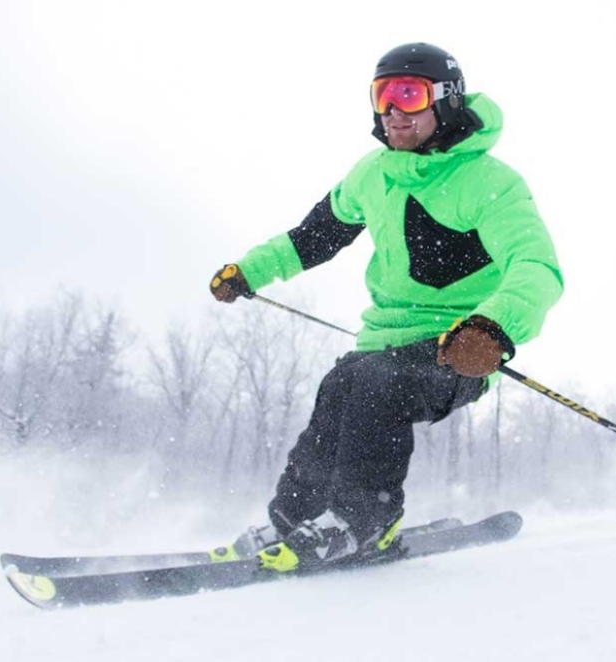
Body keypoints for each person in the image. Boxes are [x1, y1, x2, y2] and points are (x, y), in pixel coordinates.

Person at [205, 43, 564, 573]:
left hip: (459, 349)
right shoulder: (373, 174)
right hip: (383, 345)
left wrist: (492, 327)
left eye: (407, 94)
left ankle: (365, 520)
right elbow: (314, 236)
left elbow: (536, 265)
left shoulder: (491, 183)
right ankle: (292, 518)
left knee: (378, 384)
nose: (392, 110)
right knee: (343, 383)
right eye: (382, 96)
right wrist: (249, 270)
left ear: (445, 101)